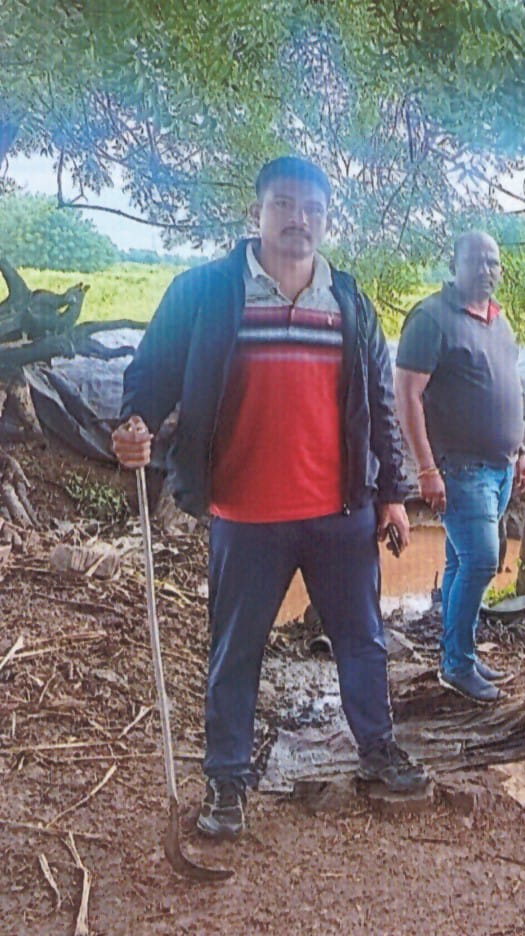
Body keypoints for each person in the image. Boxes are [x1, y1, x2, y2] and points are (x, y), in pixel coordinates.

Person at [113, 156, 428, 840]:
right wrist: (134, 423)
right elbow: (152, 373)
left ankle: (377, 750)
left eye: (312, 208)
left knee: (362, 641)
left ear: (327, 219)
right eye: (284, 203)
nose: (298, 219)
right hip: (244, 514)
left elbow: (379, 404)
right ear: (257, 212)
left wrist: (391, 495)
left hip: (338, 512)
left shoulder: (348, 301)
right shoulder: (205, 292)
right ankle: (226, 781)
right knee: (236, 650)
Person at [395, 232, 525, 704]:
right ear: (454, 263)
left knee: (459, 562)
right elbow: (407, 395)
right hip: (460, 469)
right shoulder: (431, 318)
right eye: (476, 261)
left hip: (501, 467)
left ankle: (460, 654)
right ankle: (456, 665)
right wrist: (426, 468)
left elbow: (511, 386)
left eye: (494, 262)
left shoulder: (500, 322)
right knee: (481, 561)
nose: (487, 270)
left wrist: (522, 450)